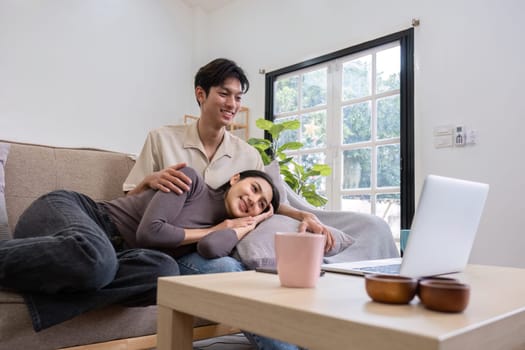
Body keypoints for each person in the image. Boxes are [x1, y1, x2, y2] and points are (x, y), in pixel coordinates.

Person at [123, 57, 329, 350]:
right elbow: (129, 202)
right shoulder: (161, 139)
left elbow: (269, 203)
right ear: (200, 94)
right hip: (172, 250)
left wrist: (305, 215)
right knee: (230, 269)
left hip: (217, 243)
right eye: (224, 93)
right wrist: (150, 180)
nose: (232, 103)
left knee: (256, 271)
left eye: (238, 96)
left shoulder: (248, 155)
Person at [0, 167, 279, 332]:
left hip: (106, 255)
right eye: (253, 188)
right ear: (235, 178)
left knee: (165, 273)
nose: (253, 200)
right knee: (97, 261)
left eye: (261, 203)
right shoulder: (190, 180)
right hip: (78, 214)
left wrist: (245, 225)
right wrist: (218, 228)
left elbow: (209, 247)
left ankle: (50, 276)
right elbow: (150, 232)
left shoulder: (227, 226)